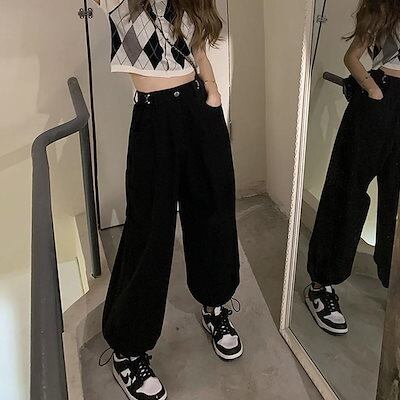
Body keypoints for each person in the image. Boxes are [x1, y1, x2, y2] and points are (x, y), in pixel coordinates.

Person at [94, 1, 243, 399]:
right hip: (153, 119)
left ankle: (215, 304)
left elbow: (198, 51)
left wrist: (214, 95)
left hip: (199, 107)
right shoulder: (120, 3)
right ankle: (128, 348)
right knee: (149, 231)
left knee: (213, 214)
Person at [305, 0, 400, 335]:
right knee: (347, 190)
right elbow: (352, 57)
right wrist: (373, 90)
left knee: (395, 201)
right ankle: (322, 283)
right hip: (381, 99)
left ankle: (390, 277)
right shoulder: (386, 7)